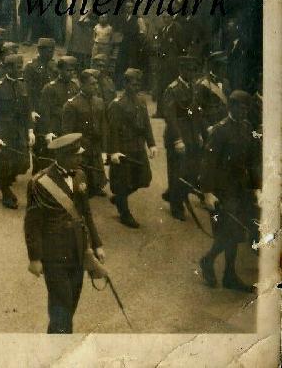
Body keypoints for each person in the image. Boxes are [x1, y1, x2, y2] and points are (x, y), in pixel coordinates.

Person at [24, 133, 105, 334]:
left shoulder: (80, 175)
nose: (80, 159)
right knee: (60, 308)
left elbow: (85, 212)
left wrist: (97, 244)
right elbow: (32, 224)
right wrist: (35, 258)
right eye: (75, 156)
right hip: (54, 256)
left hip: (78, 251)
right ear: (62, 157)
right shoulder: (40, 182)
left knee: (70, 305)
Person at [198, 91, 259, 293]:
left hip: (241, 189)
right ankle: (209, 261)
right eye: (240, 107)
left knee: (237, 231)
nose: (244, 111)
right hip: (223, 190)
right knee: (227, 232)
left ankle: (229, 275)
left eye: (246, 108)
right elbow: (208, 163)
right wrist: (207, 192)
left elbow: (251, 161)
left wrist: (257, 187)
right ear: (231, 107)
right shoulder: (219, 131)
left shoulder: (247, 128)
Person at [105, 68, 157, 227]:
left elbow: (146, 124)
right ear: (126, 84)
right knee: (123, 181)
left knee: (144, 178)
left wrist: (152, 144)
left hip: (138, 147)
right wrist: (113, 152)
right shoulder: (117, 104)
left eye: (139, 84)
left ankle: (119, 198)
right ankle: (124, 214)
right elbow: (112, 130)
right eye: (134, 84)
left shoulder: (141, 100)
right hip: (124, 149)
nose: (137, 87)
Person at [0, 54, 34, 208]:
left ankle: (4, 181)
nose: (20, 70)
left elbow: (27, 111)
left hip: (19, 132)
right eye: (17, 67)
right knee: (5, 164)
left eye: (21, 66)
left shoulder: (23, 85)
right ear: (7, 68)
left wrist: (30, 130)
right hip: (4, 133)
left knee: (23, 164)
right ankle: (5, 190)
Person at [160, 56, 203, 221]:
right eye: (188, 69)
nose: (191, 73)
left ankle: (173, 194)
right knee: (177, 172)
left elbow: (195, 112)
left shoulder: (192, 87)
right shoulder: (173, 89)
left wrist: (198, 133)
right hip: (176, 135)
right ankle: (176, 206)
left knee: (191, 171)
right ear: (181, 70)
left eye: (193, 70)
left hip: (191, 133)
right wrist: (177, 139)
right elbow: (170, 117)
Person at [61, 70, 108, 198]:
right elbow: (67, 131)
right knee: (81, 176)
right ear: (82, 84)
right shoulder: (72, 104)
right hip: (81, 145)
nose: (96, 87)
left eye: (96, 84)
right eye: (92, 84)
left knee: (97, 173)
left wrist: (104, 148)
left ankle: (94, 187)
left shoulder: (99, 102)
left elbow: (103, 126)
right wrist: (76, 147)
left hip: (95, 145)